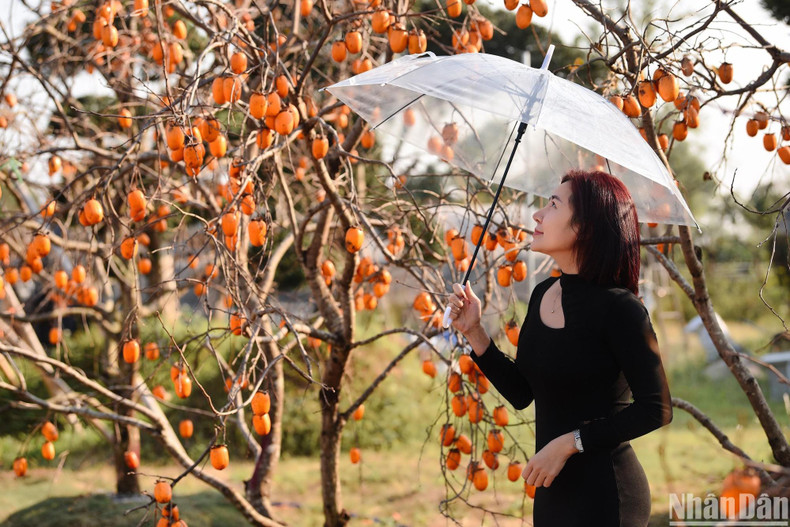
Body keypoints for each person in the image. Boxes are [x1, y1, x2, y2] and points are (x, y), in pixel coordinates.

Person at [446, 169, 673, 527]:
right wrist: (475, 332)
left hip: (608, 497)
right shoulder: (542, 294)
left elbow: (656, 408)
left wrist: (571, 443)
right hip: (552, 492)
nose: (537, 214)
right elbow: (523, 392)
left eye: (552, 205)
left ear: (584, 226)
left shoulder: (620, 309)